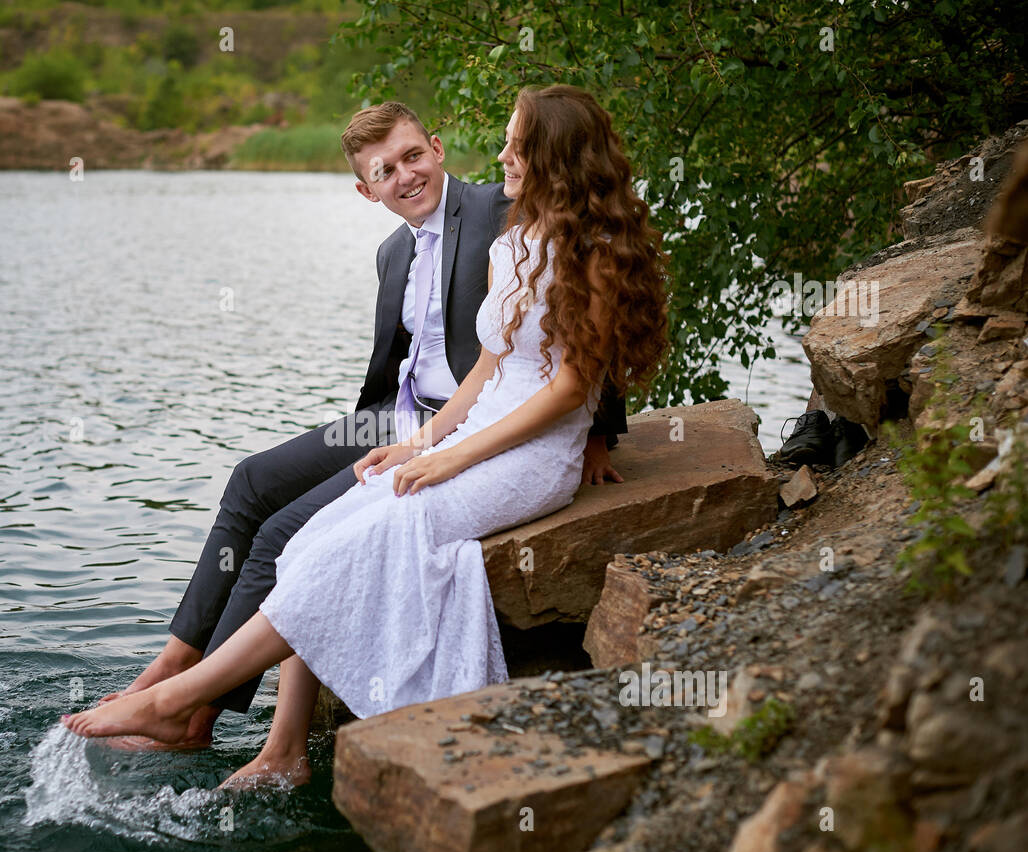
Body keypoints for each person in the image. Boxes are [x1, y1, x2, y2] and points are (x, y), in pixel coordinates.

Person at [64, 85, 671, 787]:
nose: (406, 174)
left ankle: (186, 703)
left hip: (509, 441)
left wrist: (586, 437)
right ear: (366, 190)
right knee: (266, 492)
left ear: (442, 150)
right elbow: (479, 362)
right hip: (416, 416)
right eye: (384, 170)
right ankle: (211, 692)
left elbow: (578, 369)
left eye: (414, 155)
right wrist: (420, 444)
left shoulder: (517, 219)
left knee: (324, 531)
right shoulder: (434, 249)